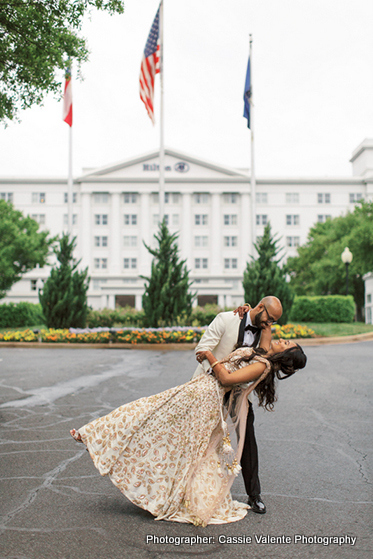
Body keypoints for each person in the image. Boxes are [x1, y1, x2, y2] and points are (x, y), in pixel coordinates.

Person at [70, 330, 306, 526]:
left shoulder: (261, 365)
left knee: (157, 422)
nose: (281, 339)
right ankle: (95, 433)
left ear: (285, 355)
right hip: (198, 390)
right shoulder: (263, 351)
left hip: (206, 398)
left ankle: (96, 436)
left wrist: (211, 357)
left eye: (286, 343)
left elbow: (225, 379)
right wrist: (248, 307)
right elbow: (266, 322)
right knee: (150, 413)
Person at [193, 296, 283, 514]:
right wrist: (218, 374)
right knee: (198, 439)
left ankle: (255, 495)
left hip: (239, 394)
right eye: (269, 319)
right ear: (260, 307)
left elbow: (263, 356)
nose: (269, 324)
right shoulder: (226, 319)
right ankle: (189, 489)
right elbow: (201, 350)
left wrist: (266, 327)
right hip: (208, 387)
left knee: (248, 439)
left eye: (274, 322)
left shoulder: (264, 330)